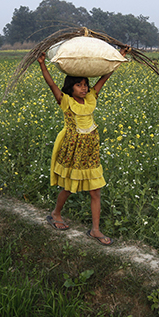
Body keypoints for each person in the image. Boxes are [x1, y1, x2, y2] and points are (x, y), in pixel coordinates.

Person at [37, 46, 130, 246]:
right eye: (79, 85)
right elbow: (51, 83)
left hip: (90, 149)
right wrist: (42, 64)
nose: (84, 88)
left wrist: (118, 58)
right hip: (73, 149)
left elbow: (105, 78)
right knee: (70, 187)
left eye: (85, 84)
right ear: (70, 88)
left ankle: (95, 230)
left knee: (95, 189)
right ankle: (55, 213)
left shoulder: (91, 98)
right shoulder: (65, 100)